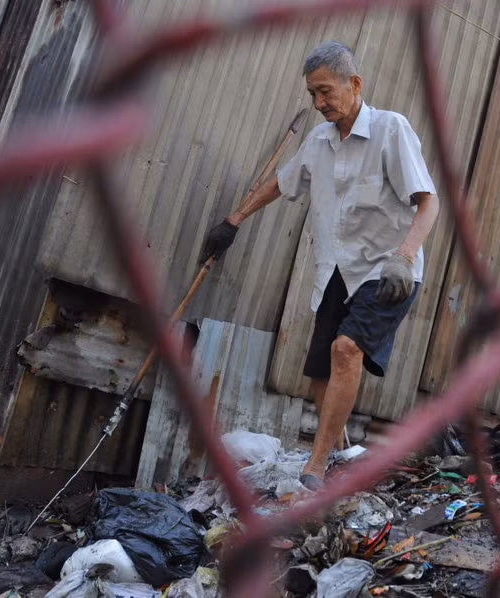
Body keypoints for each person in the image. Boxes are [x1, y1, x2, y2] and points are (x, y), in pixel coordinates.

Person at [201, 40, 439, 490]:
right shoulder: (318, 142)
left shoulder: (392, 130)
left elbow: (428, 203)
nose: (318, 103)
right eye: (312, 94)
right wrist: (234, 221)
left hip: (386, 271)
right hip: (335, 269)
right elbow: (280, 182)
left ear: (355, 84)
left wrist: (405, 256)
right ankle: (335, 452)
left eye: (325, 92)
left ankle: (315, 465)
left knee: (345, 350)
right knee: (319, 369)